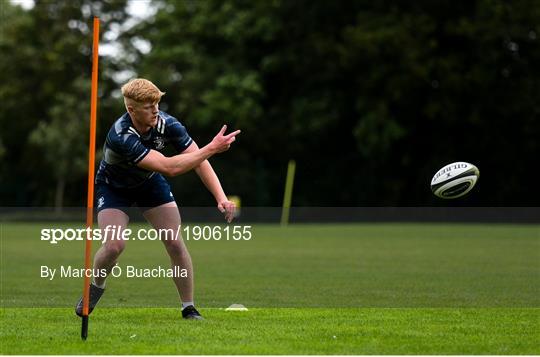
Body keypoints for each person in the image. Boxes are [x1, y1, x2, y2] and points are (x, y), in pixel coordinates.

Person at [75, 78, 240, 320]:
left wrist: (221, 197)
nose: (155, 110)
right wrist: (212, 147)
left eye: (157, 104)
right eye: (148, 106)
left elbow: (197, 160)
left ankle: (189, 307)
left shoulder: (167, 123)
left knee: (174, 242)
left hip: (149, 183)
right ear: (131, 109)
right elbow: (169, 167)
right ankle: (96, 287)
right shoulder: (121, 135)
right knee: (114, 246)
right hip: (113, 188)